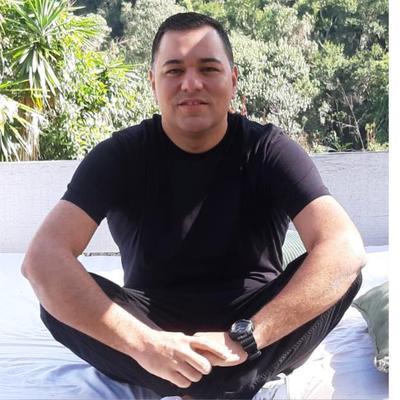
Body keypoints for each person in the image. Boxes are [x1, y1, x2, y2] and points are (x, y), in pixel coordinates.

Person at [21, 12, 366, 400]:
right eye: (174, 70)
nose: (191, 83)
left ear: (232, 79)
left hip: (253, 326)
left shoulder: (268, 149)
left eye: (208, 68)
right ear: (153, 82)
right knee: (57, 300)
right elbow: (43, 259)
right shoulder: (119, 155)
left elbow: (344, 248)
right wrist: (146, 345)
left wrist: (247, 338)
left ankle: (211, 378)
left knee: (341, 276)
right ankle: (221, 381)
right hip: (151, 324)